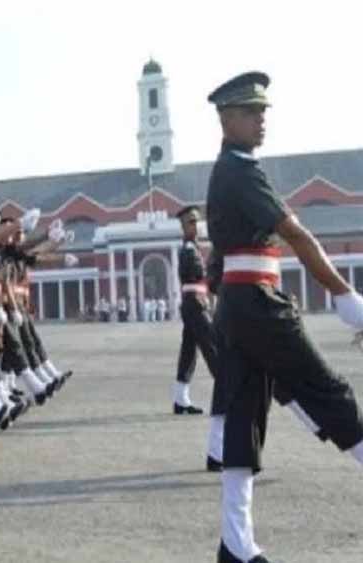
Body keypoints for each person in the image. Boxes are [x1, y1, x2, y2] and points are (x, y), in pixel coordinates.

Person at [205, 71, 363, 563]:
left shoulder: (233, 169)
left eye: (263, 112)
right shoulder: (239, 171)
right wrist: (344, 295)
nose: (261, 120)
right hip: (258, 303)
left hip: (240, 305)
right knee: (328, 389)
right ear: (227, 119)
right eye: (251, 112)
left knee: (244, 416)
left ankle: (236, 542)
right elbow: (296, 235)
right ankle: (236, 542)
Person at [172, 206, 217, 416]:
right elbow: (196, 273)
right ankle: (227, 392)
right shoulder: (189, 249)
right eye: (191, 222)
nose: (196, 225)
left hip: (195, 302)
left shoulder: (194, 247)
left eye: (197, 221)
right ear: (183, 226)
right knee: (212, 346)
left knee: (189, 352)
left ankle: (180, 399)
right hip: (194, 303)